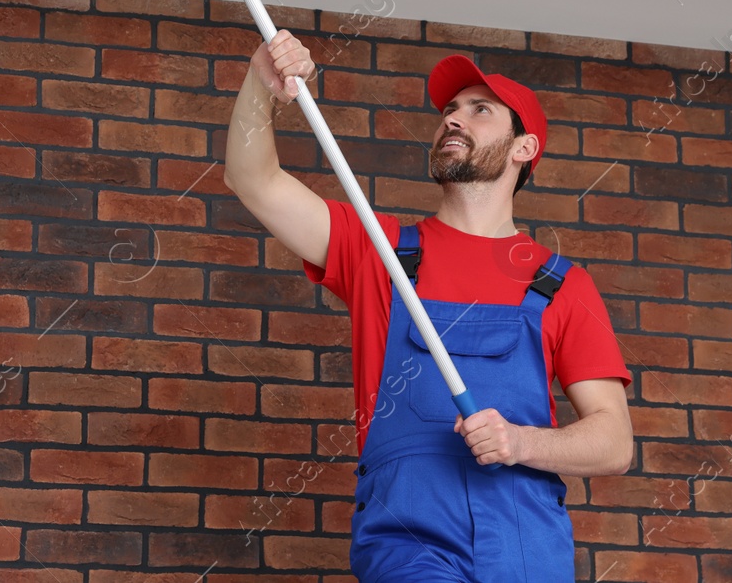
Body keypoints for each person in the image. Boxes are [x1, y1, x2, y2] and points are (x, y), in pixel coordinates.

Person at [225, 30, 635, 583]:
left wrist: (520, 441)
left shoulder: (560, 284)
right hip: (410, 541)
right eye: (449, 110)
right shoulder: (381, 252)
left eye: (480, 109)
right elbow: (252, 178)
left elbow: (614, 443)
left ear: (525, 147)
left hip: (527, 544)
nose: (454, 119)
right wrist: (260, 83)